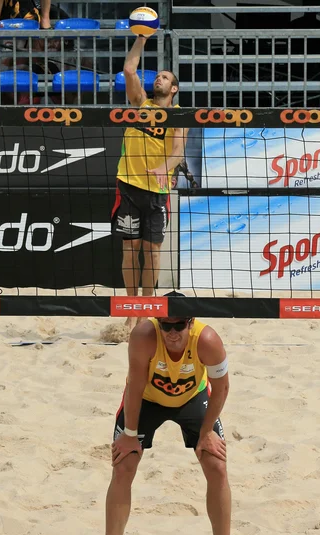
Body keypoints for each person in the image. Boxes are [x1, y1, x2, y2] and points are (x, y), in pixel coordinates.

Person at [98, 292, 240, 535]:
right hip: (147, 400)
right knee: (123, 466)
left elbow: (222, 388)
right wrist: (129, 435)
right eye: (166, 326)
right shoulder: (143, 335)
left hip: (192, 398)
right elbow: (135, 387)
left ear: (191, 322)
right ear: (158, 322)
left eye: (179, 326)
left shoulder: (208, 340)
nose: (172, 333)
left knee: (217, 466)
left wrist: (206, 432)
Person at [111, 36, 188, 331]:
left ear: (174, 88)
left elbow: (178, 151)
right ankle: (132, 311)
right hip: (129, 185)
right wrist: (141, 38)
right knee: (130, 251)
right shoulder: (139, 103)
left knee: (152, 252)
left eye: (165, 77)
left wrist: (163, 168)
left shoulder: (179, 115)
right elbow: (130, 70)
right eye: (157, 75)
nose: (159, 79)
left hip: (158, 191)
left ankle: (147, 309)